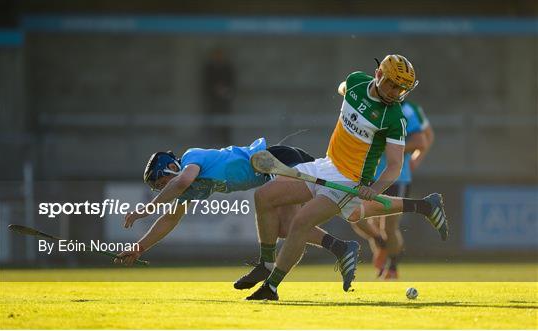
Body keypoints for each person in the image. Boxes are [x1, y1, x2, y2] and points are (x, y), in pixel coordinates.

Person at [243, 54, 448, 301]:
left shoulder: (393, 118)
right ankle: (266, 263)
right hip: (325, 165)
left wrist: (375, 188)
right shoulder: (356, 82)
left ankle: (271, 287)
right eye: (392, 84)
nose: (395, 92)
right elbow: (346, 88)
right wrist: (345, 92)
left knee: (300, 223)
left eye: (401, 88)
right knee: (264, 196)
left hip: (348, 181)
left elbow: (394, 165)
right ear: (378, 75)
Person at [114, 138, 360, 286]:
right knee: (286, 227)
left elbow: (180, 182)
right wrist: (140, 247)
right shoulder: (188, 190)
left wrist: (145, 209)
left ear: (171, 167)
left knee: (291, 222)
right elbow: (169, 219)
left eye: (160, 184)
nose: (163, 189)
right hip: (274, 170)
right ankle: (341, 247)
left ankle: (269, 264)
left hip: (276, 159)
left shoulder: (191, 158)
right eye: (158, 189)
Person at [351, 100, 435, 279]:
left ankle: (392, 267)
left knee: (389, 226)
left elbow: (422, 140)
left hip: (397, 178)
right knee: (356, 216)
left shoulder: (408, 110)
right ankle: (380, 243)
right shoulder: (370, 103)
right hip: (369, 175)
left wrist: (400, 151)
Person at [201, 47, 236, 146]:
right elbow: (205, 83)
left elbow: (232, 82)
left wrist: (225, 90)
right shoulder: (209, 68)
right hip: (212, 99)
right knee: (212, 120)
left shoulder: (227, 67)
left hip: (225, 99)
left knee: (225, 120)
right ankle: (210, 141)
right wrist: (214, 90)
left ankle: (226, 141)